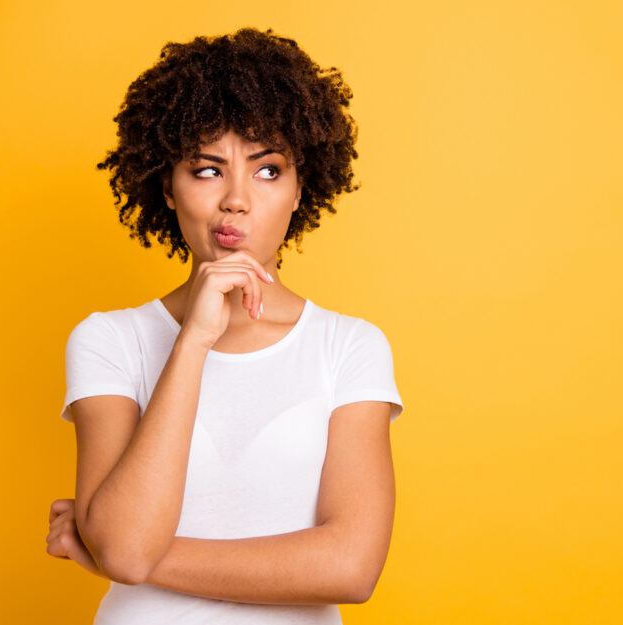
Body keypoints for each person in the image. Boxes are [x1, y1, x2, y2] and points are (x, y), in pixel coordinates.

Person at [44, 27, 404, 625]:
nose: (236, 199)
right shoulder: (109, 341)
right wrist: (194, 340)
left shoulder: (349, 348)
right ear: (167, 185)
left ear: (298, 191)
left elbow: (351, 568)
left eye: (267, 171)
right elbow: (126, 542)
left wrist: (120, 555)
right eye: (207, 170)